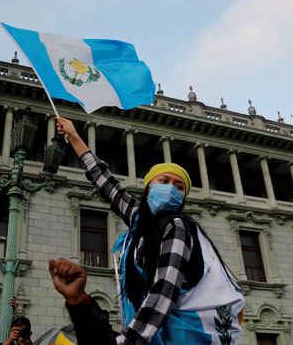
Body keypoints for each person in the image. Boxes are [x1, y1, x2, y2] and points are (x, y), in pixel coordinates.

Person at [49, 116, 245, 345]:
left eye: (179, 186)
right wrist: (74, 136)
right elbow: (105, 183)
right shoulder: (140, 220)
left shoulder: (177, 226)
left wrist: (129, 341)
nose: (171, 188)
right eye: (164, 180)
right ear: (150, 186)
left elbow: (164, 289)